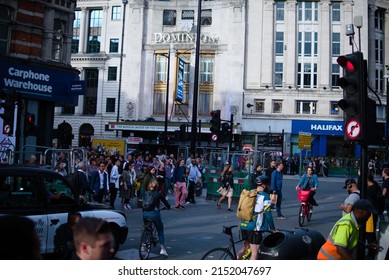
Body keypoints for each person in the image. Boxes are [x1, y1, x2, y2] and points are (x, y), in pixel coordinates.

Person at [237, 175, 275, 260]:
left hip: (243, 224)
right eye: (268, 185)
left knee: (245, 248)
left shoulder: (250, 193)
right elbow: (268, 214)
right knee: (254, 254)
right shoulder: (265, 196)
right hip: (255, 228)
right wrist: (273, 229)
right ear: (264, 185)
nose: (269, 186)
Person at [142, 178, 171, 256]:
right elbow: (165, 202)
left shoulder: (145, 193)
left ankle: (144, 244)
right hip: (154, 213)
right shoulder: (158, 194)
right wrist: (168, 207)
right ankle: (162, 248)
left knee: (146, 227)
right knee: (160, 230)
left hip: (145, 213)